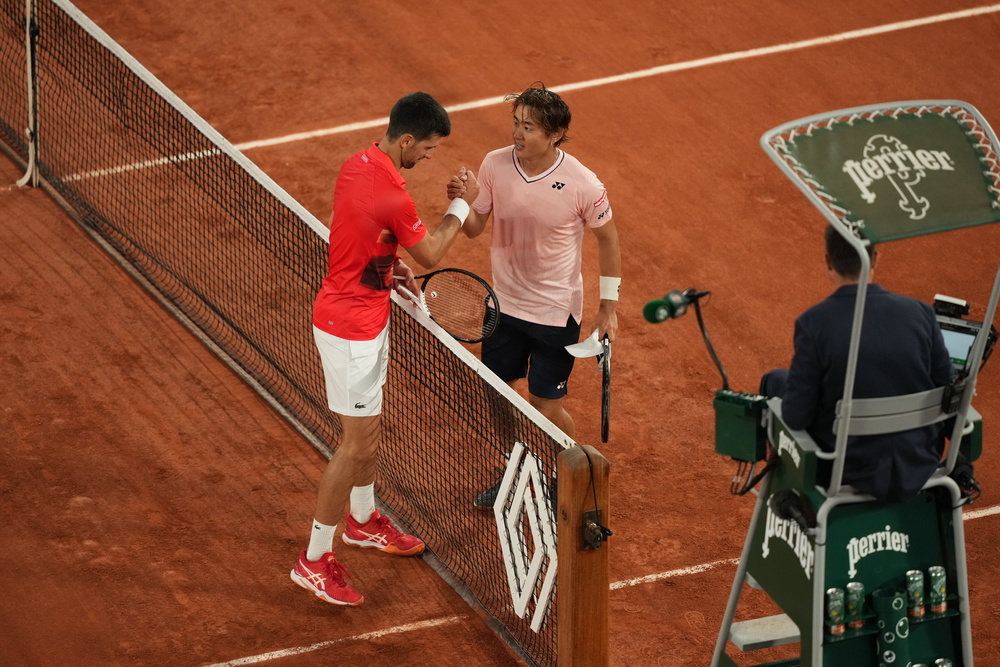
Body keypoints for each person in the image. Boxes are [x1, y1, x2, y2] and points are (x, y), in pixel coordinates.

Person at [291, 91, 480, 606]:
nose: (429, 157)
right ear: (406, 140)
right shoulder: (395, 197)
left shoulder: (359, 165)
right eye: (429, 148)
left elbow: (359, 237)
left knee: (368, 432)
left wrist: (386, 271)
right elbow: (433, 249)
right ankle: (313, 559)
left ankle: (362, 520)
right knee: (353, 445)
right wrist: (463, 203)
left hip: (362, 316)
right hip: (350, 330)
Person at [448, 83, 621, 508]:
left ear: (555, 133)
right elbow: (474, 229)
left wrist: (608, 308)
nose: (518, 134)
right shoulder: (494, 164)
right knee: (499, 393)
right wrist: (461, 202)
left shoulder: (583, 184)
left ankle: (566, 473)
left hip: (554, 312)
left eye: (529, 126)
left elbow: (609, 242)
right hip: (503, 305)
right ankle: (515, 472)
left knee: (545, 402)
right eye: (515, 123)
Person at [760, 224, 955, 502]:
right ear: (875, 258)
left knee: (775, 380)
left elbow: (796, 416)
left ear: (828, 261)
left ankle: (789, 502)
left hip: (844, 470)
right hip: (918, 465)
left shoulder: (814, 323)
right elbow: (949, 391)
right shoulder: (921, 313)